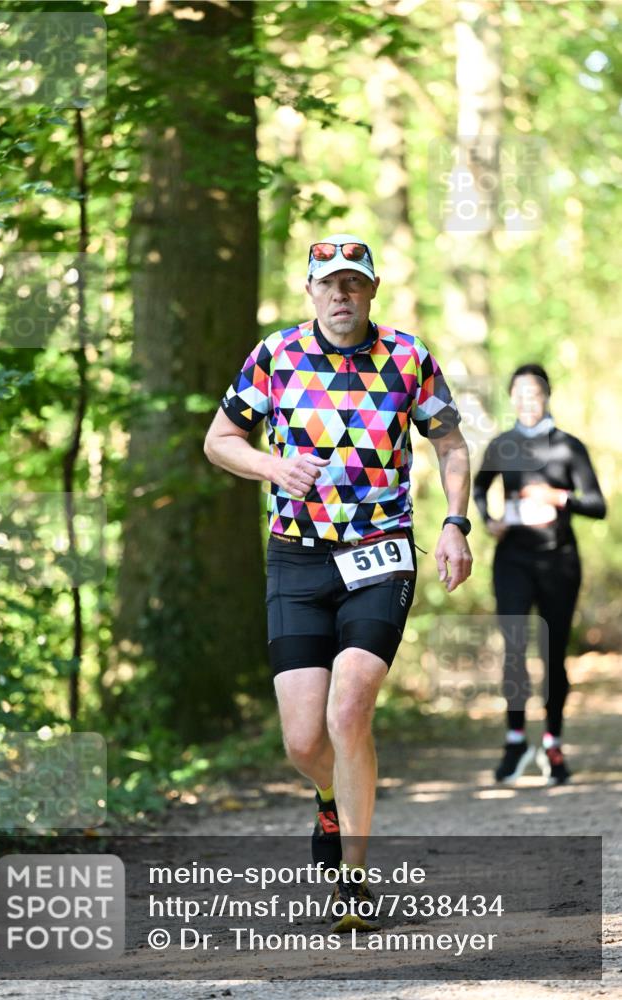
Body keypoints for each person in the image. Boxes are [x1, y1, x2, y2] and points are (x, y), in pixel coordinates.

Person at [204, 233, 473, 932]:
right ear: (309, 290)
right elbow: (219, 440)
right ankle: (326, 793)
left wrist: (453, 524)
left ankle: (351, 881)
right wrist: (270, 468)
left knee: (348, 707)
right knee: (301, 739)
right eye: (327, 283)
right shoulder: (276, 356)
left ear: (372, 290)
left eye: (352, 282)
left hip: (379, 553)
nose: (340, 294)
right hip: (296, 557)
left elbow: (449, 443)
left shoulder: (407, 357)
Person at [473, 364, 606, 786]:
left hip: (559, 561)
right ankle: (515, 742)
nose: (527, 400)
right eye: (519, 393)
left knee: (552, 656)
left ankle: (552, 742)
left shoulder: (567, 447)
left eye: (535, 393)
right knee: (513, 651)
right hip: (512, 560)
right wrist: (488, 518)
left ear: (547, 396)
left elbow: (598, 506)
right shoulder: (502, 444)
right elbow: (478, 489)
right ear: (511, 398)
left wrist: (558, 496)